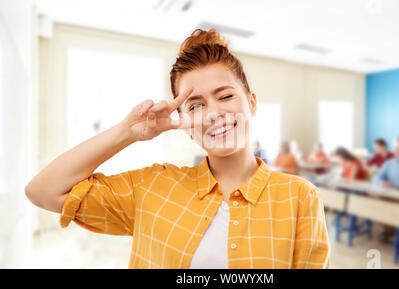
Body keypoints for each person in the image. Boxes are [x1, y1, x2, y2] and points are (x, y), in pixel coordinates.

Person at [25, 29, 329, 269]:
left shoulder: (299, 197)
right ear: (184, 122)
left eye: (225, 96)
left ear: (251, 102)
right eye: (196, 105)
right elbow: (43, 191)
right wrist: (126, 133)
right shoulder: (153, 187)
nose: (213, 114)